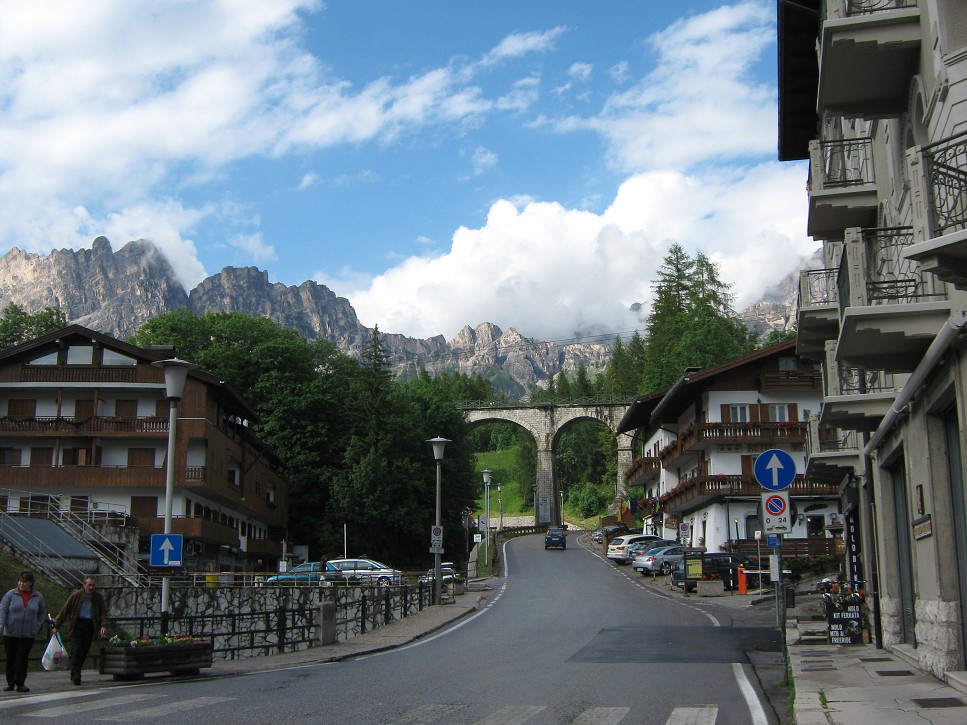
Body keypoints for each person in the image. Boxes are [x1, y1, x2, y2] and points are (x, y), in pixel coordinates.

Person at [53, 575, 109, 686]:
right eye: (89, 585)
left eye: (93, 585)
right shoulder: (76, 596)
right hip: (77, 625)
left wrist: (103, 625)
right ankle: (76, 674)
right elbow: (65, 610)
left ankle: (75, 671)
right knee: (76, 649)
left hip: (89, 626)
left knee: (84, 651)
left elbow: (103, 613)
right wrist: (56, 626)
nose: (91, 587)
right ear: (84, 585)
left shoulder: (98, 598)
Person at [0, 570, 47, 693]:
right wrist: (2, 624)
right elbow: (3, 609)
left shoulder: (37, 596)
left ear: (30, 583)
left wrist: (37, 624)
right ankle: (10, 682)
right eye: (20, 581)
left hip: (28, 633)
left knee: (22, 657)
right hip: (11, 631)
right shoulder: (11, 594)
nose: (21, 584)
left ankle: (20, 682)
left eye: (24, 582)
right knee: (11, 657)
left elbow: (42, 612)